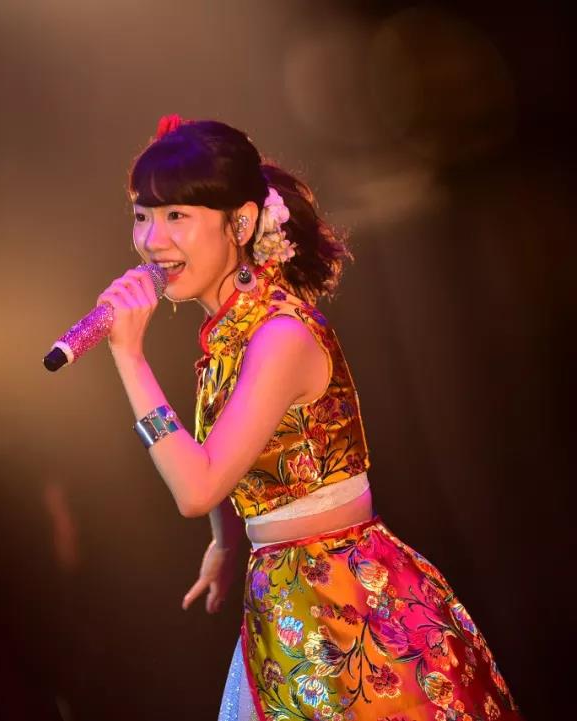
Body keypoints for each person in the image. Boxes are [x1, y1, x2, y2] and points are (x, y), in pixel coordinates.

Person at [96, 115, 521, 720]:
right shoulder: (228, 332)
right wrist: (226, 542)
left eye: (176, 216)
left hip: (346, 603)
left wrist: (129, 358)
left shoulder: (280, 336)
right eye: (142, 216)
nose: (151, 240)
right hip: (283, 595)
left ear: (241, 223)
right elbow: (231, 457)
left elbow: (198, 486)